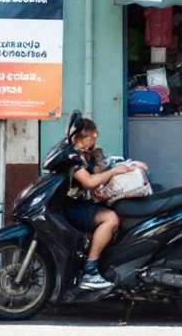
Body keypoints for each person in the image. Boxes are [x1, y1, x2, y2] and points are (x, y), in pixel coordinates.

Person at [63, 118, 139, 291]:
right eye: (92, 137)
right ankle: (90, 271)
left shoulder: (85, 155)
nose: (94, 140)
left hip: (82, 203)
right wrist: (114, 171)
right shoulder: (72, 158)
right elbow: (89, 181)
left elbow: (96, 175)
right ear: (85, 136)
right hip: (72, 207)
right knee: (110, 219)